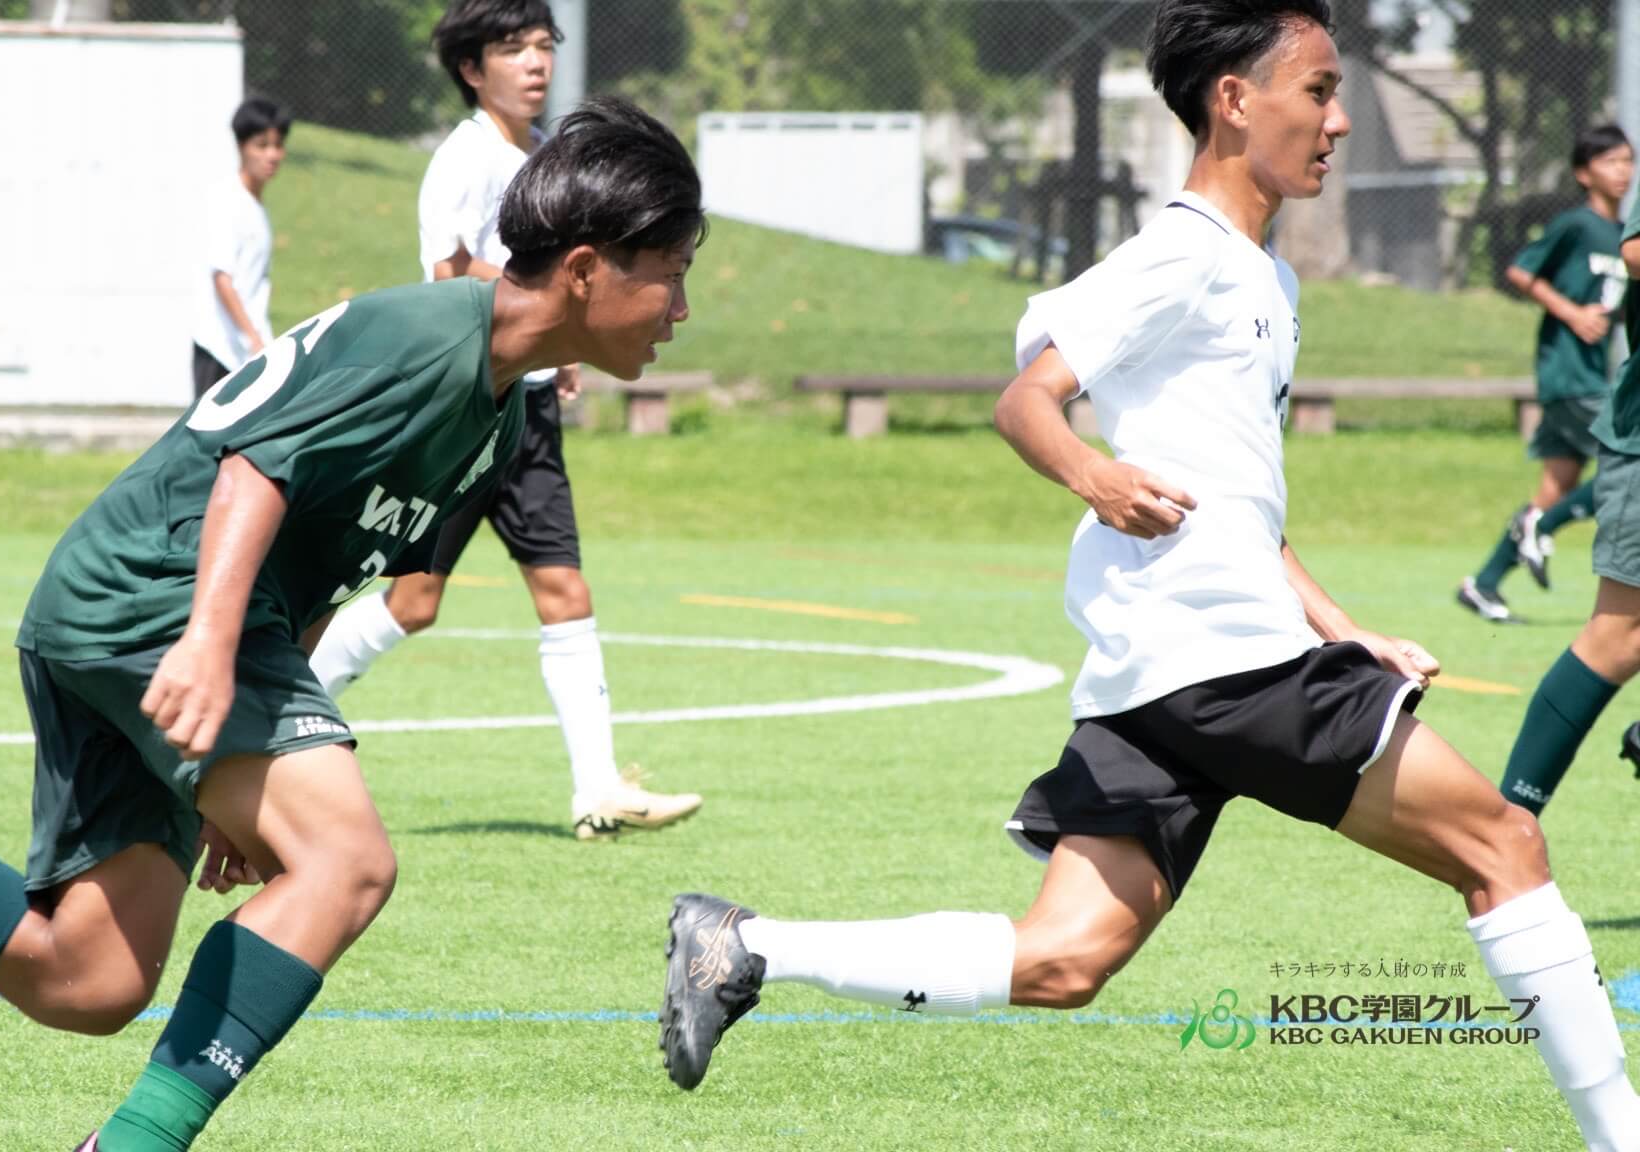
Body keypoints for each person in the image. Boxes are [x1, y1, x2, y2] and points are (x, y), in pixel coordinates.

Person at [656, 5, 1640, 1146]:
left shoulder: (1265, 277)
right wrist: (1095, 476)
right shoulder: (1185, 252)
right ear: (1234, 99)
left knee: (1063, 959)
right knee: (1503, 845)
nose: (1339, 121)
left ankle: (745, 945)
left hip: (1165, 671)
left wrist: (1340, 626)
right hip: (1223, 660)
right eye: (1318, 92)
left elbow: (1238, 505)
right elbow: (1026, 399)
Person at [0, 97, 703, 1152]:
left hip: (129, 601)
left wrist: (265, 751)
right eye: (671, 272)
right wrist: (207, 645)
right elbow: (253, 470)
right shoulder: (426, 340)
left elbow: (329, 559)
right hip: (161, 594)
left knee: (89, 979)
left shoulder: (497, 412)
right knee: (347, 864)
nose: (681, 309)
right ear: (583, 269)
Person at [308, 0, 702, 840]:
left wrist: (565, 344)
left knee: (564, 589)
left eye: (544, 46)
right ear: (470, 68)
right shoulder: (467, 156)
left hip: (529, 411)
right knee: (413, 601)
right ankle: (279, 715)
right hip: (468, 408)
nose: (535, 62)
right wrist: (556, 310)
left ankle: (598, 791)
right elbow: (449, 271)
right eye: (513, 48)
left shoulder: (541, 157)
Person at [1457, 125, 1634, 621]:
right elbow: (1520, 272)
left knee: (1556, 488)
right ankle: (1543, 527)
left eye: (1628, 160)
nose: (1623, 170)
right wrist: (1572, 313)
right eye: (1610, 161)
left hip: (1590, 373)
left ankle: (1483, 584)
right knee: (1627, 467)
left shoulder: (1624, 235)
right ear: (1583, 173)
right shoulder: (1575, 225)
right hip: (1568, 372)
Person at [1505, 190, 1640, 816]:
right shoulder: (1577, 226)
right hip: (1618, 419)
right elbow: (1634, 251)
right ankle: (1507, 827)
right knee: (1621, 635)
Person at [190, 97, 289, 400]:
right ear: (241, 147)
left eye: (278, 145)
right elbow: (222, 278)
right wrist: (252, 338)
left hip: (248, 352)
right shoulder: (226, 200)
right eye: (262, 145)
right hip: (221, 349)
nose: (272, 155)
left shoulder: (256, 207)